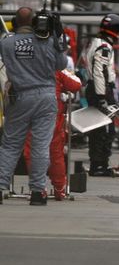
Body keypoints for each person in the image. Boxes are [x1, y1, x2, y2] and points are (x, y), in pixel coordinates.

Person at [0, 7, 67, 205]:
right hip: (45, 96)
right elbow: (61, 64)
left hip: (19, 97)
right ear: (34, 21)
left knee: (11, 145)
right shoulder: (47, 41)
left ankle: (0, 186)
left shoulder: (5, 43)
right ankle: (38, 192)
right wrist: (56, 35)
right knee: (40, 146)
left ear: (14, 21)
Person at [23, 69, 82, 200]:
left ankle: (38, 189)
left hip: (29, 111)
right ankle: (59, 189)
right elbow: (76, 84)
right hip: (52, 113)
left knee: (32, 151)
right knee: (55, 153)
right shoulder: (56, 67)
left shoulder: (24, 63)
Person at [82, 13, 119, 177]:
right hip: (101, 90)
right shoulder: (104, 47)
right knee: (105, 130)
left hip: (95, 88)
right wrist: (102, 96)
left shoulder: (95, 42)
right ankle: (99, 165)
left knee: (97, 129)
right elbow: (100, 72)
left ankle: (97, 164)